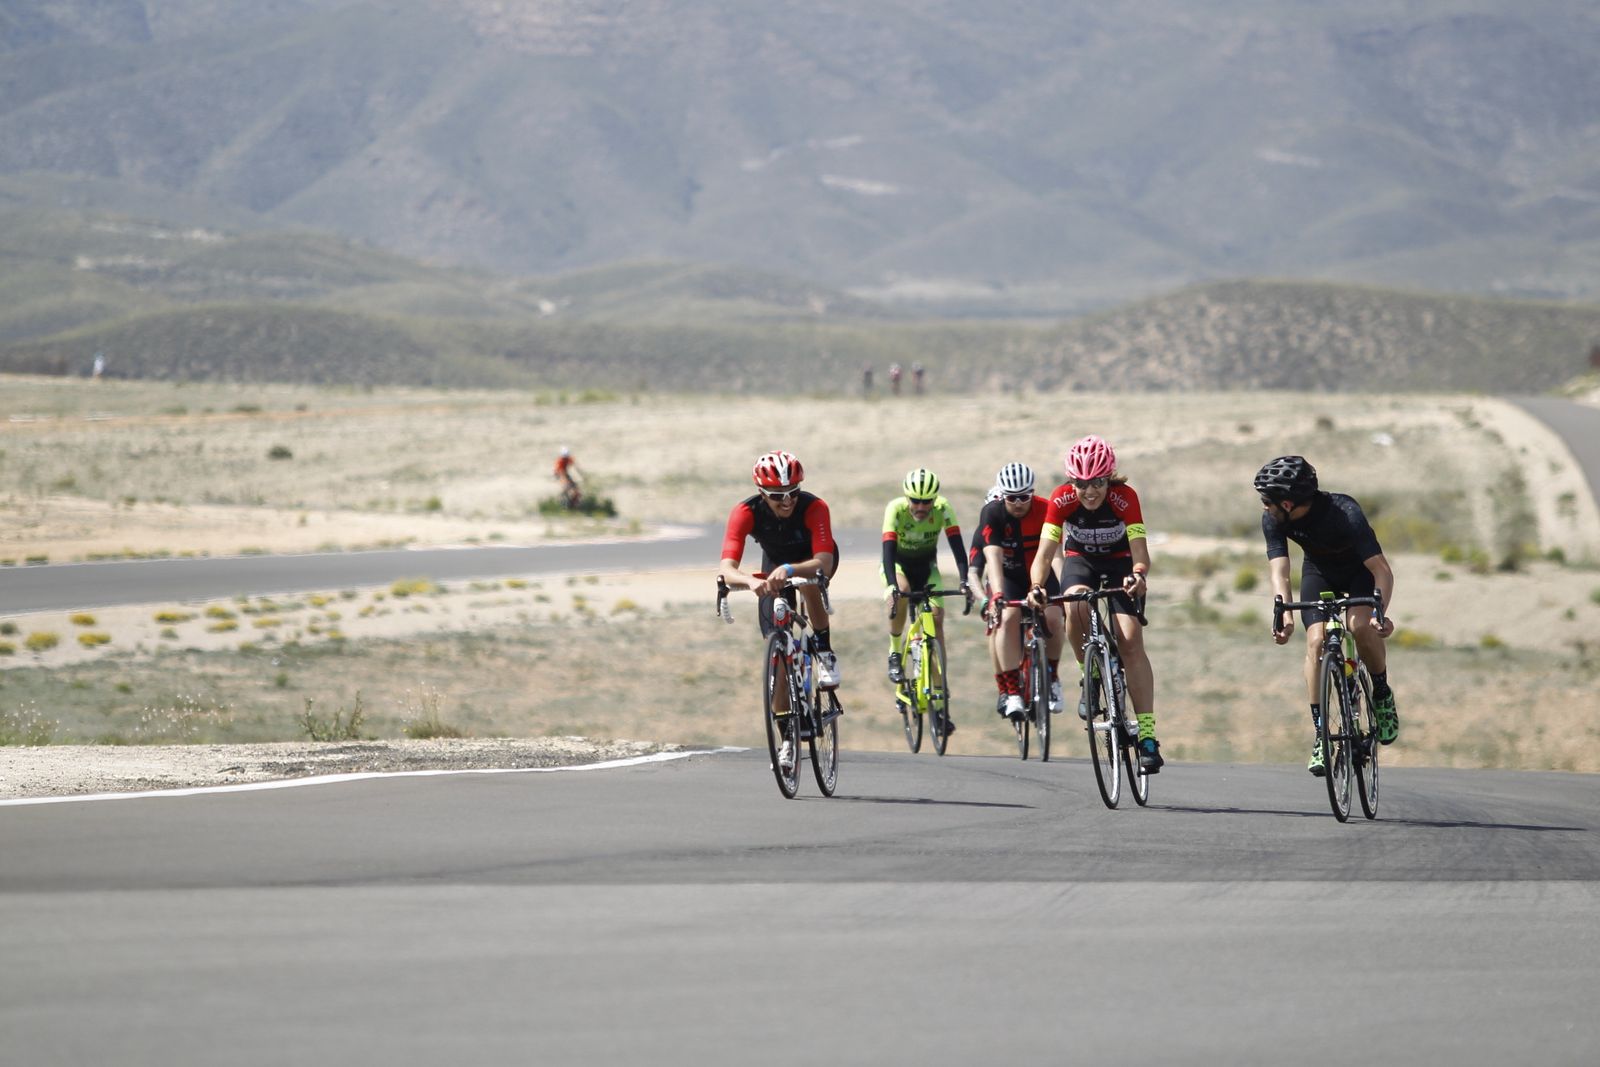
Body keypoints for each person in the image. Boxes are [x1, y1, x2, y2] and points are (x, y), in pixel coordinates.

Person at [1254, 455, 1399, 776]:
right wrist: (1284, 614)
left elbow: (1381, 570)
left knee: (1360, 626)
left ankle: (1382, 692)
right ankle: (1321, 733)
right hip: (1319, 573)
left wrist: (1380, 613)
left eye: (1268, 500)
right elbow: (1279, 570)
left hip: (1359, 575)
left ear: (1288, 503)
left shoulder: (1345, 512)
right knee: (1316, 642)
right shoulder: (1274, 520)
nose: (1264, 506)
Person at [1029, 435, 1163, 773]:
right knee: (1074, 604)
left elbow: (1140, 552)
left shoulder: (1124, 498)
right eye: (1081, 483)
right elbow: (1045, 554)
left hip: (1121, 565)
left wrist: (1138, 573)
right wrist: (1035, 586)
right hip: (1081, 562)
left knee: (1131, 640)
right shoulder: (1061, 500)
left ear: (1109, 478)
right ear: (1070, 480)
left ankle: (1147, 737)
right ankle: (1090, 671)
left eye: (1098, 483)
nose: (1089, 491)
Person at [719, 450, 842, 701]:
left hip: (813, 560)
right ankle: (786, 734)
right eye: (777, 496)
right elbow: (727, 569)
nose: (787, 501)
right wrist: (752, 581)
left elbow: (825, 564)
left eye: (793, 492)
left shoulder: (814, 507)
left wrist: (790, 569)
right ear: (762, 493)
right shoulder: (745, 512)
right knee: (776, 655)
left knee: (807, 585)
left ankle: (824, 650)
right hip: (774, 564)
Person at [882, 468, 974, 733]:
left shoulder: (944, 508)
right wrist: (891, 586)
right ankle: (895, 651)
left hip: (926, 567)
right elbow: (887, 552)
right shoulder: (895, 510)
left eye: (927, 502)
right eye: (916, 501)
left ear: (935, 499)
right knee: (901, 590)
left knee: (935, 619)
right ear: (907, 498)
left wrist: (964, 580)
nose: (921, 507)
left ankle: (940, 704)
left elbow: (958, 549)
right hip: (897, 567)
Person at [977, 462, 1065, 723]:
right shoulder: (992, 513)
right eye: (1011, 498)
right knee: (1008, 617)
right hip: (1011, 577)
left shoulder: (1046, 509)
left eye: (1024, 497)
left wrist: (1065, 591)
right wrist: (996, 595)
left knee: (1053, 617)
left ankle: (1052, 676)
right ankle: (1013, 690)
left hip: (1043, 573)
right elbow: (992, 558)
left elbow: (1057, 556)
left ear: (1033, 492)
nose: (1018, 503)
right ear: (1002, 495)